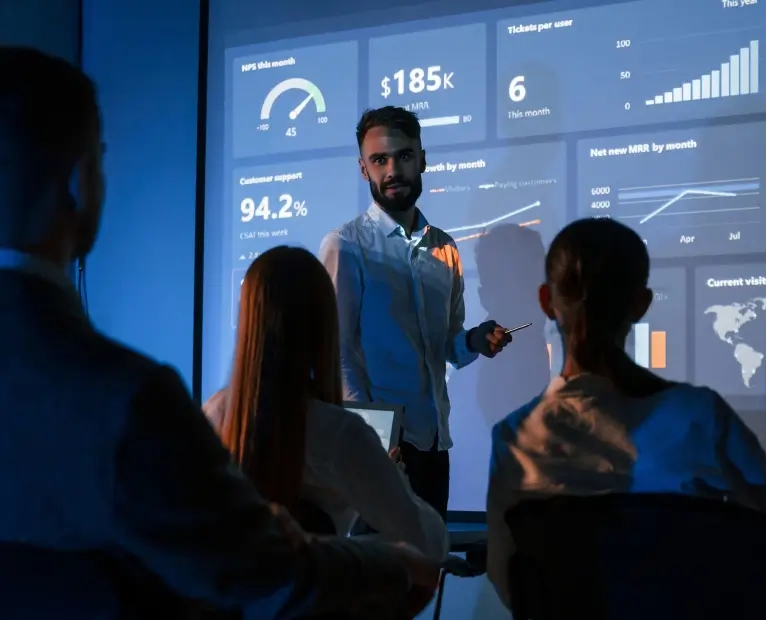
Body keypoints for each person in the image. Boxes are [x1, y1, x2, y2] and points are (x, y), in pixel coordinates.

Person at [0, 46, 439, 618]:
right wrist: (393, 564)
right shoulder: (129, 399)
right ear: (81, 182)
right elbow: (257, 576)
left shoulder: (187, 409)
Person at [486, 217, 766, 608]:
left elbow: (510, 583)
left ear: (546, 302)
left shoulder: (514, 438)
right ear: (642, 304)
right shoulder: (700, 417)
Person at [319, 106, 512, 518]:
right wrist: (370, 440)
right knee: (379, 577)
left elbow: (447, 348)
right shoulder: (346, 245)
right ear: (363, 168)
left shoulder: (445, 248)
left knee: (427, 573)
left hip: (434, 443)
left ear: (422, 158)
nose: (392, 170)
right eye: (379, 160)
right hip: (379, 449)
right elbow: (336, 354)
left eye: (404, 156)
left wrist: (476, 340)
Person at [204, 245, 449, 561]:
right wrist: (392, 479)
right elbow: (429, 542)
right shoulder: (340, 434)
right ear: (324, 325)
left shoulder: (211, 415)